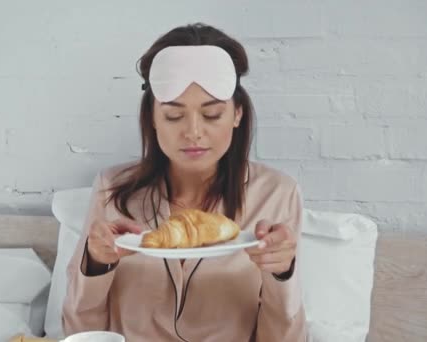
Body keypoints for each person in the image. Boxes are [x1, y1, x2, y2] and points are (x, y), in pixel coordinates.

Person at [62, 23, 306, 342]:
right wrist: (95, 264)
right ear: (151, 117)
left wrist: (280, 273)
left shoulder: (277, 194)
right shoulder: (112, 189)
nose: (192, 131)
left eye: (212, 114)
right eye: (174, 116)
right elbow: (78, 333)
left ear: (237, 115)